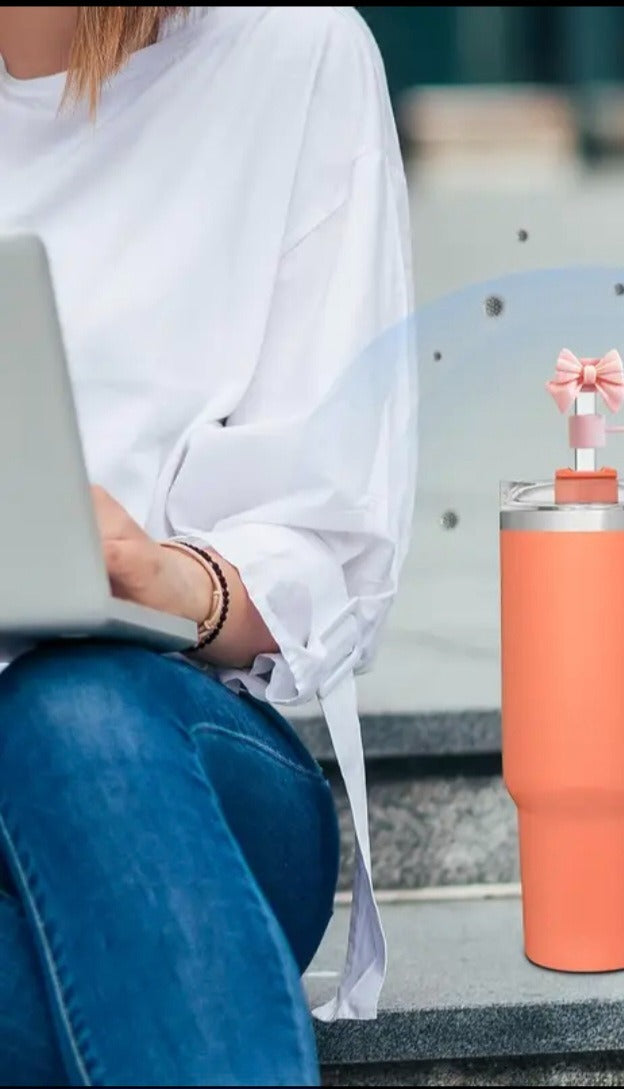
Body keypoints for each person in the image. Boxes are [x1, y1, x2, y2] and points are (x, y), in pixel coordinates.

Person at [0, 5, 415, 1085]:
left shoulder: (291, 54)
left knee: (72, 702)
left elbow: (335, 554)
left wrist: (158, 575)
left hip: (169, 758)